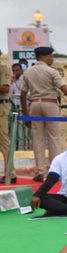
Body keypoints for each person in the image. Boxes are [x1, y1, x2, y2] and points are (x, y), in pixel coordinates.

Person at [20, 46, 67, 181]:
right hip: (50, 104)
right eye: (50, 56)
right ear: (43, 57)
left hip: (34, 105)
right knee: (53, 137)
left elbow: (22, 94)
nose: (52, 59)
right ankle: (54, 171)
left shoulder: (28, 72)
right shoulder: (52, 71)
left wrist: (26, 115)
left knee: (37, 139)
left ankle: (40, 171)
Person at [0, 55, 11, 183]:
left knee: (4, 142)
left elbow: (5, 88)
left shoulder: (3, 68)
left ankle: (10, 173)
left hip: (1, 108)